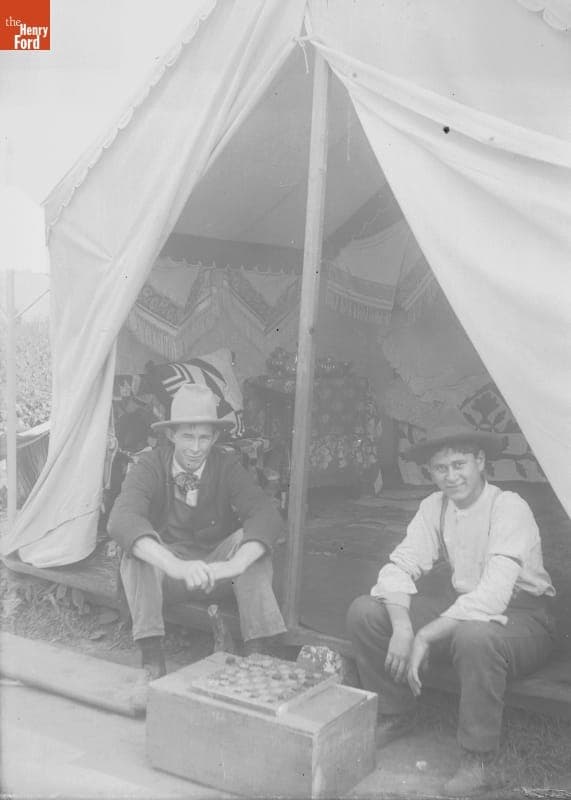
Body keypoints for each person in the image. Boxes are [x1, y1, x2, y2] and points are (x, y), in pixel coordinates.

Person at [346, 425, 557, 796]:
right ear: (431, 472)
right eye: (440, 468)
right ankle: (397, 713)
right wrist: (402, 626)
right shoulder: (435, 506)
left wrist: (425, 634)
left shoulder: (508, 506)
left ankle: (480, 759)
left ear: (480, 463)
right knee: (366, 611)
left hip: (524, 617)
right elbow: (400, 566)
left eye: (460, 464)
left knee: (474, 635)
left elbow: (492, 596)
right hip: (464, 608)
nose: (451, 476)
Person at [108, 382, 287, 679]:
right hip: (168, 578)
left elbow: (266, 514)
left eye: (204, 438)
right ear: (170, 434)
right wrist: (176, 566)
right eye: (187, 436)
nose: (195, 448)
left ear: (215, 436)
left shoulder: (226, 465)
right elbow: (121, 518)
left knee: (250, 542)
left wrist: (233, 564)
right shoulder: (150, 464)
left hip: (217, 572)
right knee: (136, 553)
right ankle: (152, 659)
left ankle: (260, 655)